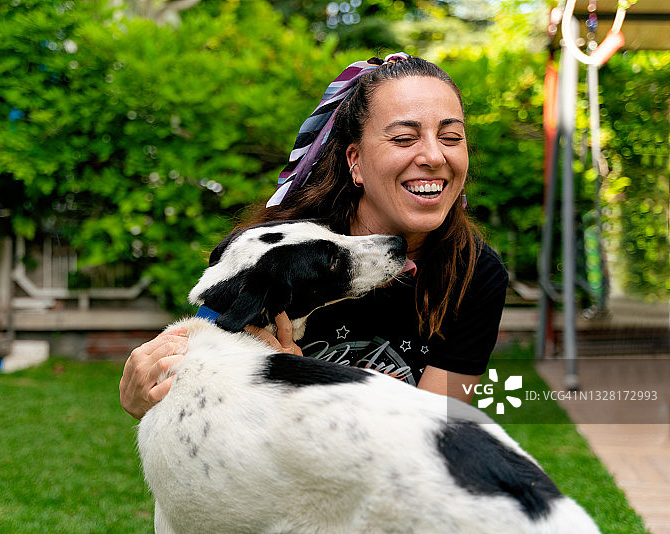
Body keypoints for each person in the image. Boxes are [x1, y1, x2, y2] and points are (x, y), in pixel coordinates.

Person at [120, 53, 508, 420]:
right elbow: (196, 395)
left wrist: (299, 382)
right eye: (404, 138)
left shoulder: (476, 272)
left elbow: (432, 432)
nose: (434, 156)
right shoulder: (280, 254)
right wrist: (146, 391)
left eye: (452, 138)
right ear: (355, 161)